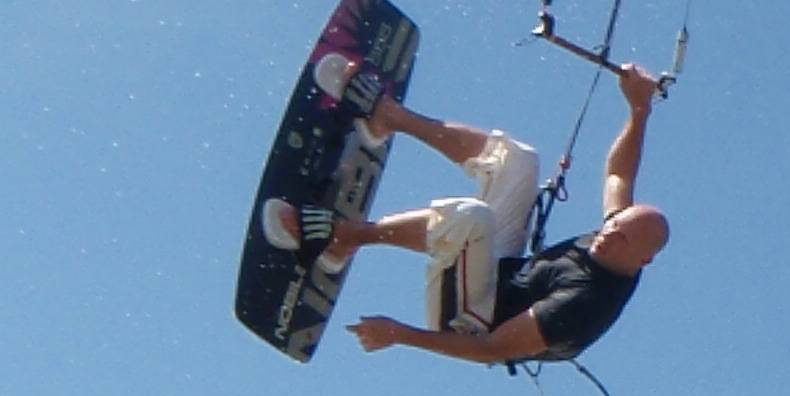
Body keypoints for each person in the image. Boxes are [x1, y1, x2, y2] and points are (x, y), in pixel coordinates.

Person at [260, 56, 670, 365]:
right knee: (520, 160)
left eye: (620, 238)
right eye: (613, 223)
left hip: (470, 323)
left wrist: (399, 334)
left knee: (471, 217)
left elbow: (490, 349)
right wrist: (639, 110)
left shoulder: (585, 305)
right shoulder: (615, 234)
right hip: (503, 272)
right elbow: (618, 174)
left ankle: (344, 237)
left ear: (643, 261)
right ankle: (387, 116)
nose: (608, 232)